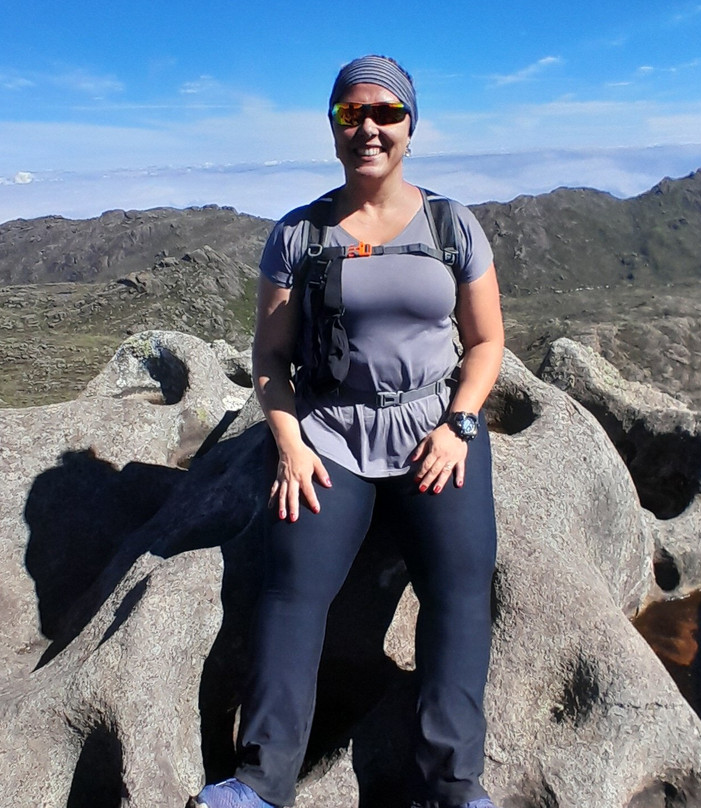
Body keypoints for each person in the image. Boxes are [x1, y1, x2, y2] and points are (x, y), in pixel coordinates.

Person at [194, 55, 505, 808]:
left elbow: (488, 343)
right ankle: (261, 782)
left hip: (435, 427)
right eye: (350, 114)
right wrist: (292, 443)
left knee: (462, 587)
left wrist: (459, 424)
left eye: (385, 114)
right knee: (294, 587)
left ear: (410, 127)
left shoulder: (450, 225)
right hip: (330, 433)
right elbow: (269, 358)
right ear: (333, 127)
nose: (367, 127)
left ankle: (453, 785)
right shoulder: (299, 235)